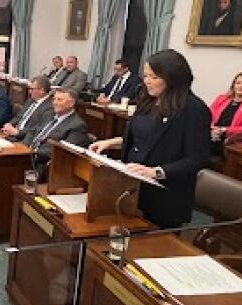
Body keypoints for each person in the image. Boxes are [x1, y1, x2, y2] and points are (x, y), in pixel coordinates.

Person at [88, 49, 211, 229]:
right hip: (132, 187)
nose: (147, 82)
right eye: (145, 76)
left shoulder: (194, 109)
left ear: (172, 77)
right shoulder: (148, 100)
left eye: (153, 77)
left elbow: (197, 158)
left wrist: (156, 172)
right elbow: (147, 136)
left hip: (164, 197)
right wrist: (111, 142)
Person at [23, 88, 90, 177]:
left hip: (43, 166)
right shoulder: (49, 114)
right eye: (54, 99)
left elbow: (61, 152)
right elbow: (32, 132)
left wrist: (33, 152)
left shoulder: (77, 126)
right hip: (26, 157)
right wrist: (24, 148)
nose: (55, 102)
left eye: (59, 100)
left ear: (71, 103)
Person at [1, 76, 54, 141]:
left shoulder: (49, 107)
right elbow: (18, 117)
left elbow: (37, 130)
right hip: (12, 135)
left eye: (32, 89)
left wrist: (17, 132)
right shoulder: (30, 101)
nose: (29, 91)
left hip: (25, 140)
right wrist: (9, 125)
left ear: (42, 90)